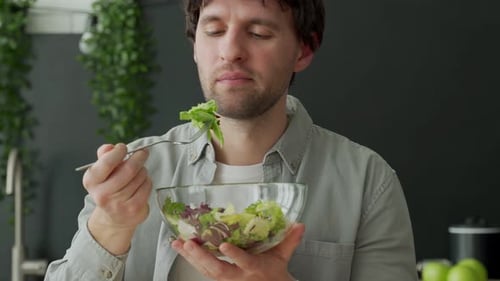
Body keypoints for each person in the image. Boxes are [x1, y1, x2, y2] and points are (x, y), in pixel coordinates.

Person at [44, 0, 418, 280]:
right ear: (195, 46)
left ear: (303, 50)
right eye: (214, 30)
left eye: (258, 33)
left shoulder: (367, 182)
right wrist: (109, 227)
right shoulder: (137, 172)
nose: (231, 51)